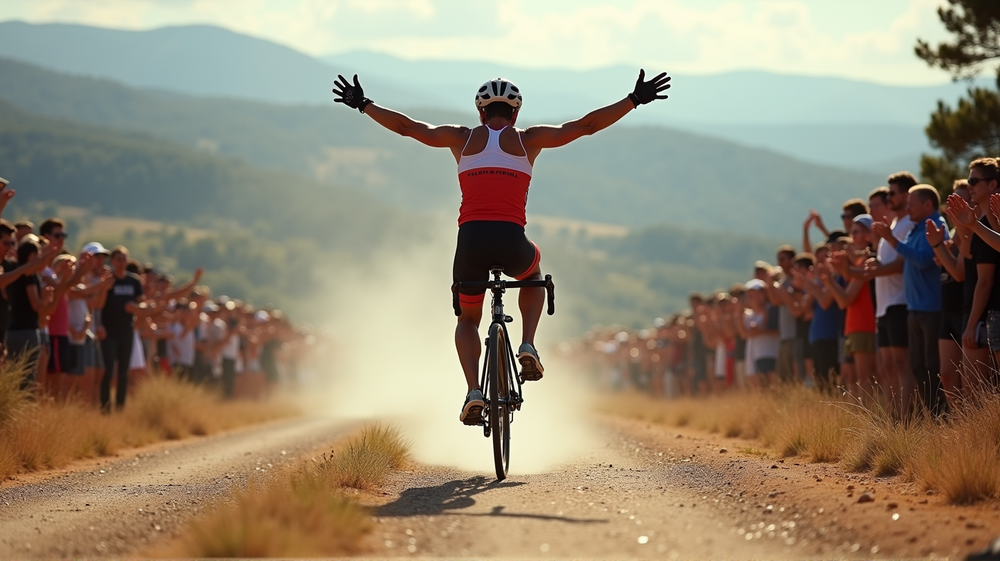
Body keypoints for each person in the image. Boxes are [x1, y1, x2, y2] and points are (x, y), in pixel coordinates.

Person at [332, 69, 671, 424]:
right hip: (512, 241)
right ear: (516, 113)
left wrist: (364, 104)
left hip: (470, 243)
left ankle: (473, 391)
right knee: (533, 272)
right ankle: (527, 343)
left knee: (468, 320)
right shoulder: (529, 140)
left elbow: (407, 127)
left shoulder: (461, 138)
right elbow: (586, 126)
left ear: (481, 112)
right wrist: (633, 100)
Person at [873, 185, 949, 416]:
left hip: (931, 308)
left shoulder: (934, 227)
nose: (908, 209)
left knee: (932, 367)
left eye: (911, 205)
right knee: (917, 366)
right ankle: (926, 418)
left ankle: (939, 418)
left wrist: (893, 241)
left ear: (927, 204)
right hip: (914, 308)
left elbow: (924, 260)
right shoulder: (915, 229)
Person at [865, 174, 916, 413]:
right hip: (884, 306)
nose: (888, 198)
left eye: (891, 194)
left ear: (906, 195)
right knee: (887, 367)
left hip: (900, 302)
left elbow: (900, 264)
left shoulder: (908, 225)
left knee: (901, 364)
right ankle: (893, 416)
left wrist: (874, 270)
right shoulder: (892, 227)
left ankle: (906, 418)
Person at [98, 246, 146, 412]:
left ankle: (120, 407)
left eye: (124, 259)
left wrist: (135, 306)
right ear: (112, 261)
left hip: (127, 331)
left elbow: (142, 301)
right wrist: (104, 287)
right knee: (109, 369)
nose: (122, 262)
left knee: (124, 372)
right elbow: (99, 304)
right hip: (109, 332)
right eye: (118, 259)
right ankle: (105, 407)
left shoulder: (134, 281)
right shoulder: (108, 280)